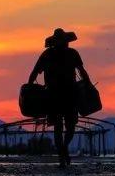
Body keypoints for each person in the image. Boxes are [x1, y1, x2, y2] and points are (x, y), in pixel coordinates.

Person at [28, 28, 91, 168]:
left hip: (64, 94)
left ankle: (63, 149)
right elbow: (82, 71)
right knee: (65, 126)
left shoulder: (67, 53)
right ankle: (63, 151)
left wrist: (29, 86)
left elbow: (81, 71)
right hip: (59, 95)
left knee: (67, 126)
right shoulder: (50, 55)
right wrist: (29, 87)